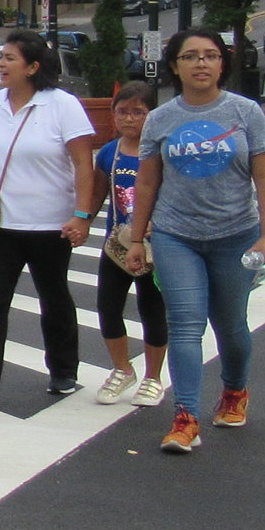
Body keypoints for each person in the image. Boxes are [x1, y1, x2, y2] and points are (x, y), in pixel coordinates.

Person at [123, 28, 265, 454]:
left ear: (222, 64)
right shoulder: (161, 118)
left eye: (210, 56)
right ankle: (186, 418)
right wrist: (137, 239)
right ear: (174, 65)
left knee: (230, 326)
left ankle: (234, 391)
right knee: (185, 324)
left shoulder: (245, 112)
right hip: (178, 235)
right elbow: (147, 180)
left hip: (236, 235)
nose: (201, 64)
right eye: (191, 56)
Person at [0, 30, 99, 407]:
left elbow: (83, 163)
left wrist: (82, 215)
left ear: (32, 67)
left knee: (54, 297)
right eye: (2, 57)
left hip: (51, 224)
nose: (1, 64)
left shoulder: (62, 105)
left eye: (10, 58)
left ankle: (63, 371)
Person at [92, 82, 169, 407]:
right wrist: (80, 220)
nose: (129, 118)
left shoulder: (162, 152)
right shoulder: (110, 152)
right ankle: (122, 369)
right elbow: (96, 194)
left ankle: (153, 377)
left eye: (139, 112)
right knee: (108, 308)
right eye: (122, 111)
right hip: (117, 246)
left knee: (152, 311)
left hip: (156, 248)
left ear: (153, 115)